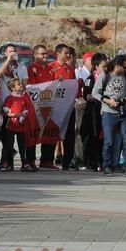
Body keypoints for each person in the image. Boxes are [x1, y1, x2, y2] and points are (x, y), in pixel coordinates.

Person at [93, 55, 126, 177]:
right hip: (109, 112)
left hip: (124, 111)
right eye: (124, 67)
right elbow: (95, 92)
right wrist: (107, 101)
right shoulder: (105, 76)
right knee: (109, 141)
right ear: (117, 65)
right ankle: (107, 165)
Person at [41, 43, 78, 171]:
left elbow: (73, 87)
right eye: (66, 53)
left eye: (69, 53)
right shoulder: (50, 68)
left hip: (67, 107)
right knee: (51, 133)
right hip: (54, 107)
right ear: (58, 54)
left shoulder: (71, 68)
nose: (68, 55)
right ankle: (47, 160)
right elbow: (47, 86)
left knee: (69, 135)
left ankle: (68, 161)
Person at [3, 78, 38, 172]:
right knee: (9, 145)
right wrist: (12, 114)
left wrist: (23, 115)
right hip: (11, 125)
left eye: (21, 84)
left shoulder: (24, 98)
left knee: (22, 146)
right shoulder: (9, 98)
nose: (21, 85)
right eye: (19, 84)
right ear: (13, 87)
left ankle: (24, 163)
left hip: (21, 126)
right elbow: (5, 110)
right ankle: (9, 164)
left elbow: (26, 109)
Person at [81, 53, 107, 172]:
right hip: (93, 113)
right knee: (92, 137)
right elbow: (86, 94)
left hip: (106, 111)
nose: (105, 68)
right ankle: (91, 161)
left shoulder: (109, 78)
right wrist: (89, 96)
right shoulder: (90, 79)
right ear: (96, 66)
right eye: (103, 66)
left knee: (104, 137)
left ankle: (103, 161)